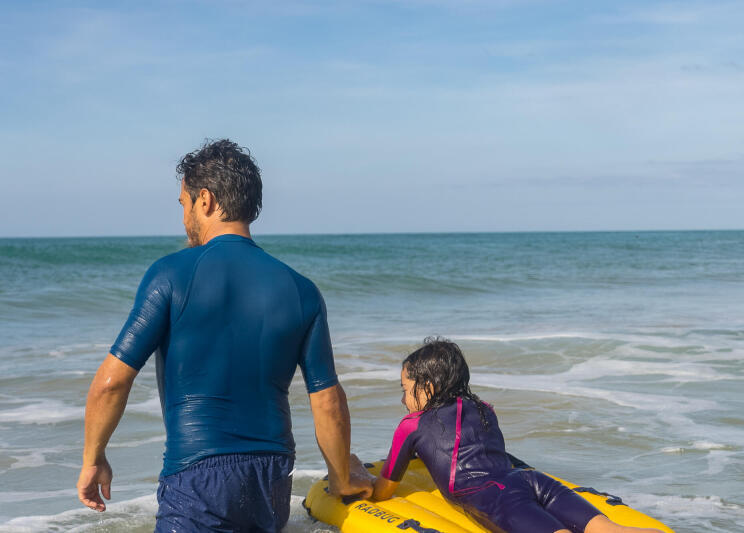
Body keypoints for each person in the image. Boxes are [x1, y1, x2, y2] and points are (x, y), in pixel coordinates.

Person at [76, 139, 371, 532]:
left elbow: (111, 383)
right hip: (271, 479)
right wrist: (342, 480)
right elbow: (328, 400)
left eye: (183, 204)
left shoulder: (169, 275)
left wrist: (93, 458)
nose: (183, 218)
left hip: (197, 478)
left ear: (206, 200)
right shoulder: (301, 289)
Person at [370, 337, 664, 533]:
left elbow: (384, 490)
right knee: (612, 530)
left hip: (494, 497)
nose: (403, 399)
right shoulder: (484, 408)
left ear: (428, 388)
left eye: (406, 390)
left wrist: (360, 473)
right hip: (530, 479)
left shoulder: (412, 424)